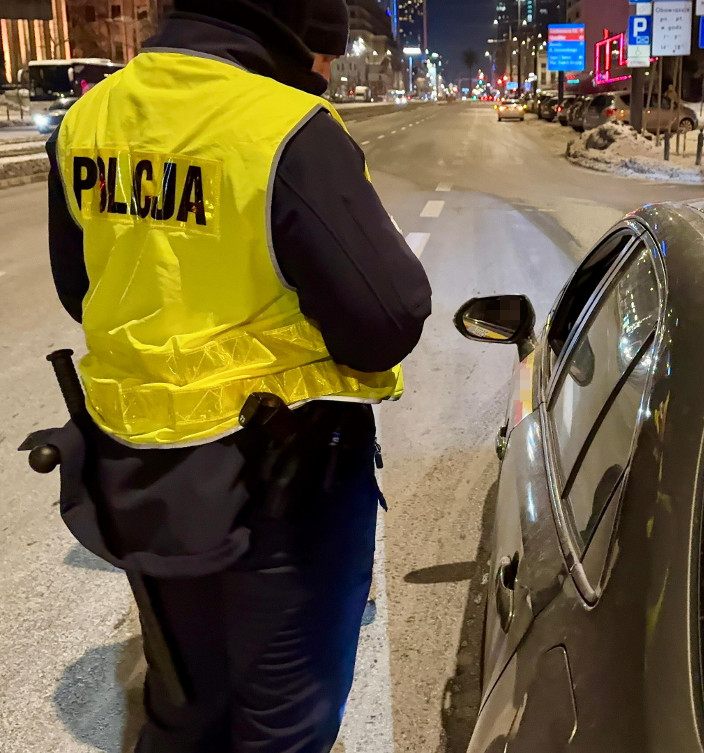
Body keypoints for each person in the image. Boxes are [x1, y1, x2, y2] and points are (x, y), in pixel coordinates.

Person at [44, 0, 432, 750]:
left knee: (186, 703)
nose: (326, 71)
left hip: (138, 468)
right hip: (282, 479)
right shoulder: (282, 126)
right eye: (325, 52)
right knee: (283, 722)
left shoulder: (90, 121)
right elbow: (385, 320)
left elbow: (80, 288)